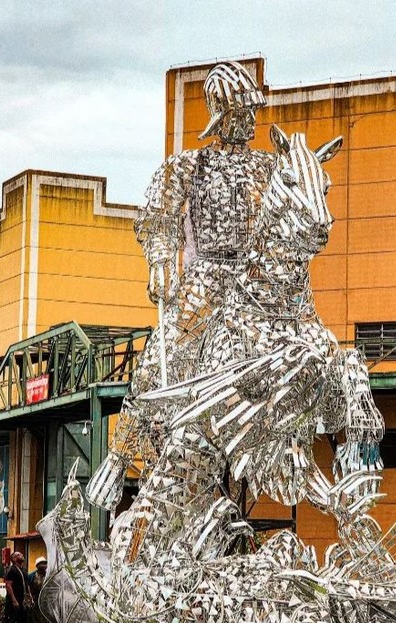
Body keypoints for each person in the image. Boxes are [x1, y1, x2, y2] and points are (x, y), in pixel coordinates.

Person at [86, 60, 275, 511]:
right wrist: (158, 261)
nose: (249, 121)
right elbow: (159, 218)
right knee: (164, 353)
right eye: (242, 112)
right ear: (223, 115)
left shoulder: (271, 168)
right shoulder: (190, 166)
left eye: (251, 111)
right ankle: (119, 456)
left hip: (257, 282)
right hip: (208, 278)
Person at [0, 551, 30, 623]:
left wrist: (30, 596)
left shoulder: (23, 570)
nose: (22, 555)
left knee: (23, 621)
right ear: (14, 559)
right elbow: (8, 585)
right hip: (13, 601)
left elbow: (27, 585)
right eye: (19, 555)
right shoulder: (12, 570)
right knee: (9, 621)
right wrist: (14, 600)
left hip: (23, 599)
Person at [26, 556, 48, 623]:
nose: (44, 565)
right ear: (37, 565)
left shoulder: (48, 575)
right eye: (41, 563)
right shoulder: (31, 576)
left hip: (43, 601)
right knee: (31, 618)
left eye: (45, 563)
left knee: (41, 619)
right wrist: (30, 598)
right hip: (33, 600)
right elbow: (27, 587)